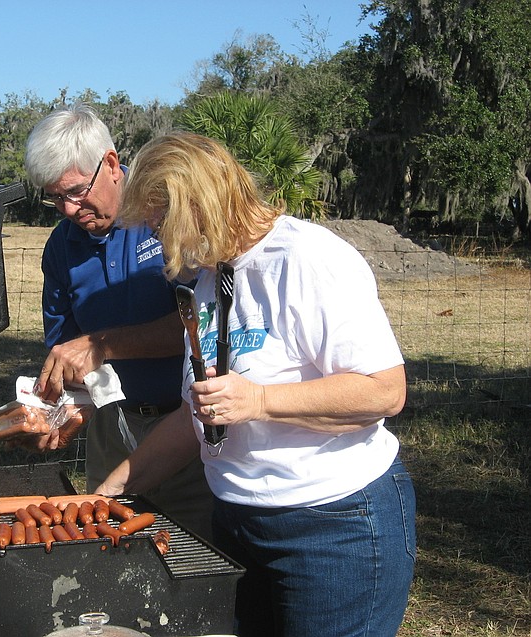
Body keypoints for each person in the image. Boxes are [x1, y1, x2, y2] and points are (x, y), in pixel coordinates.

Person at [96, 131, 416, 637]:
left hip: (334, 527)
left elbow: (384, 391)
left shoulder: (308, 259)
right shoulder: (209, 280)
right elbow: (192, 419)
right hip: (238, 521)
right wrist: (108, 492)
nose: (161, 246)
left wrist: (261, 401)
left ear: (201, 204)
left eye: (163, 225)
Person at [22, 103, 214, 538]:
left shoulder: (165, 215)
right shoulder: (62, 246)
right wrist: (65, 409)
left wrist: (103, 344)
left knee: (196, 559)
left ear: (111, 164)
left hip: (186, 428)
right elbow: (68, 347)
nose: (69, 210)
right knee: (108, 556)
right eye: (55, 198)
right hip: (112, 431)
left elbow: (199, 326)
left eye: (74, 192)